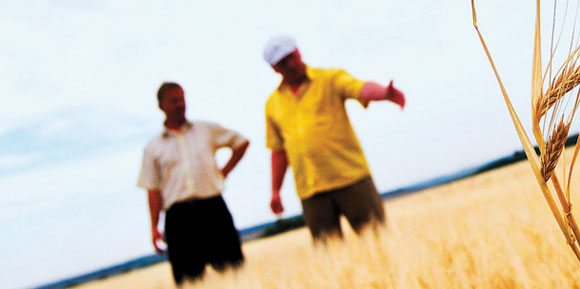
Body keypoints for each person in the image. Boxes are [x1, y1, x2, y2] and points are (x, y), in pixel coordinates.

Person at [262, 36, 405, 241]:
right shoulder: (272, 104)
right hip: (310, 188)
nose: (291, 64)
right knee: (328, 254)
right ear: (275, 68)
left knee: (379, 240)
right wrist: (275, 190)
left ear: (299, 52)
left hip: (350, 178)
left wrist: (384, 92)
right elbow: (278, 150)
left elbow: (358, 88)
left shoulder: (329, 78)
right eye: (283, 62)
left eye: (292, 57)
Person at [137, 82, 250, 285]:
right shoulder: (153, 147)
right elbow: (152, 189)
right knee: (188, 281)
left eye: (182, 99)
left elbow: (241, 142)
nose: (180, 105)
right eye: (174, 101)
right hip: (178, 219)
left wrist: (223, 172)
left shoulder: (206, 129)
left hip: (213, 209)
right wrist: (154, 227)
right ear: (161, 106)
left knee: (236, 274)